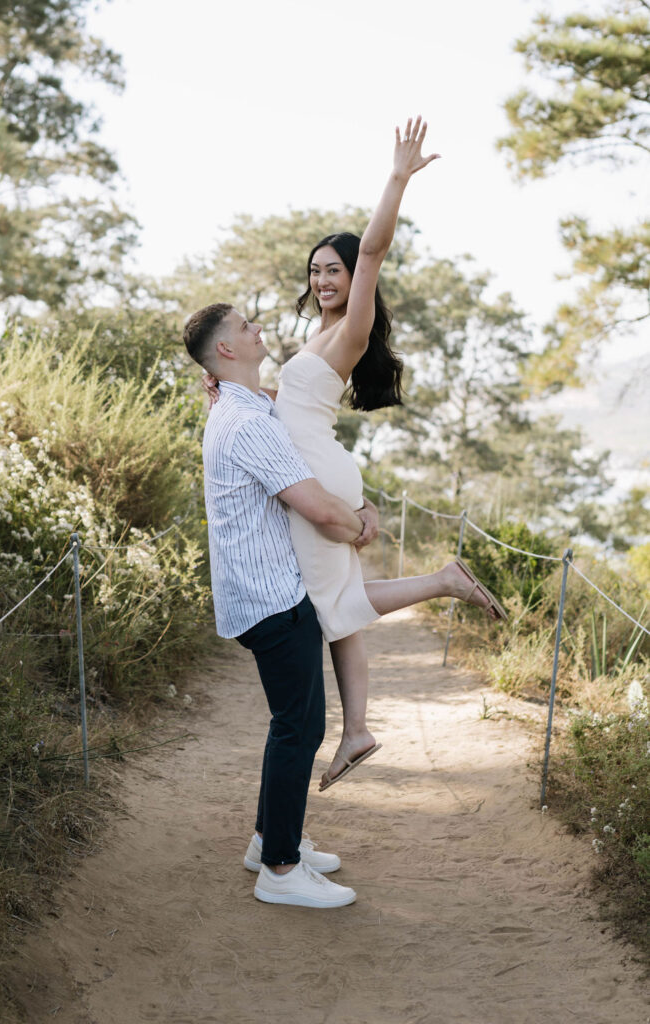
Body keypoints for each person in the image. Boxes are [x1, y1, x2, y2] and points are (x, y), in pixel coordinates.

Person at [203, 116, 507, 792]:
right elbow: (277, 402)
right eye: (314, 271)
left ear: (353, 273)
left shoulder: (352, 328)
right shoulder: (318, 332)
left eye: (332, 268)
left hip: (312, 468)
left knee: (321, 602)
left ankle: (437, 589)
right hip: (316, 465)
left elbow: (372, 251)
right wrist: (222, 385)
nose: (322, 279)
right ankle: (359, 727)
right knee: (332, 600)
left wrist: (396, 179)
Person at [182, 302, 378, 908]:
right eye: (245, 326)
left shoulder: (246, 407)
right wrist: (362, 525)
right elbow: (315, 506)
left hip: (261, 590)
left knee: (292, 723)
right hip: (271, 597)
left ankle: (269, 837)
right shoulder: (247, 423)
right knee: (299, 727)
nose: (257, 328)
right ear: (225, 352)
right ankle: (280, 868)